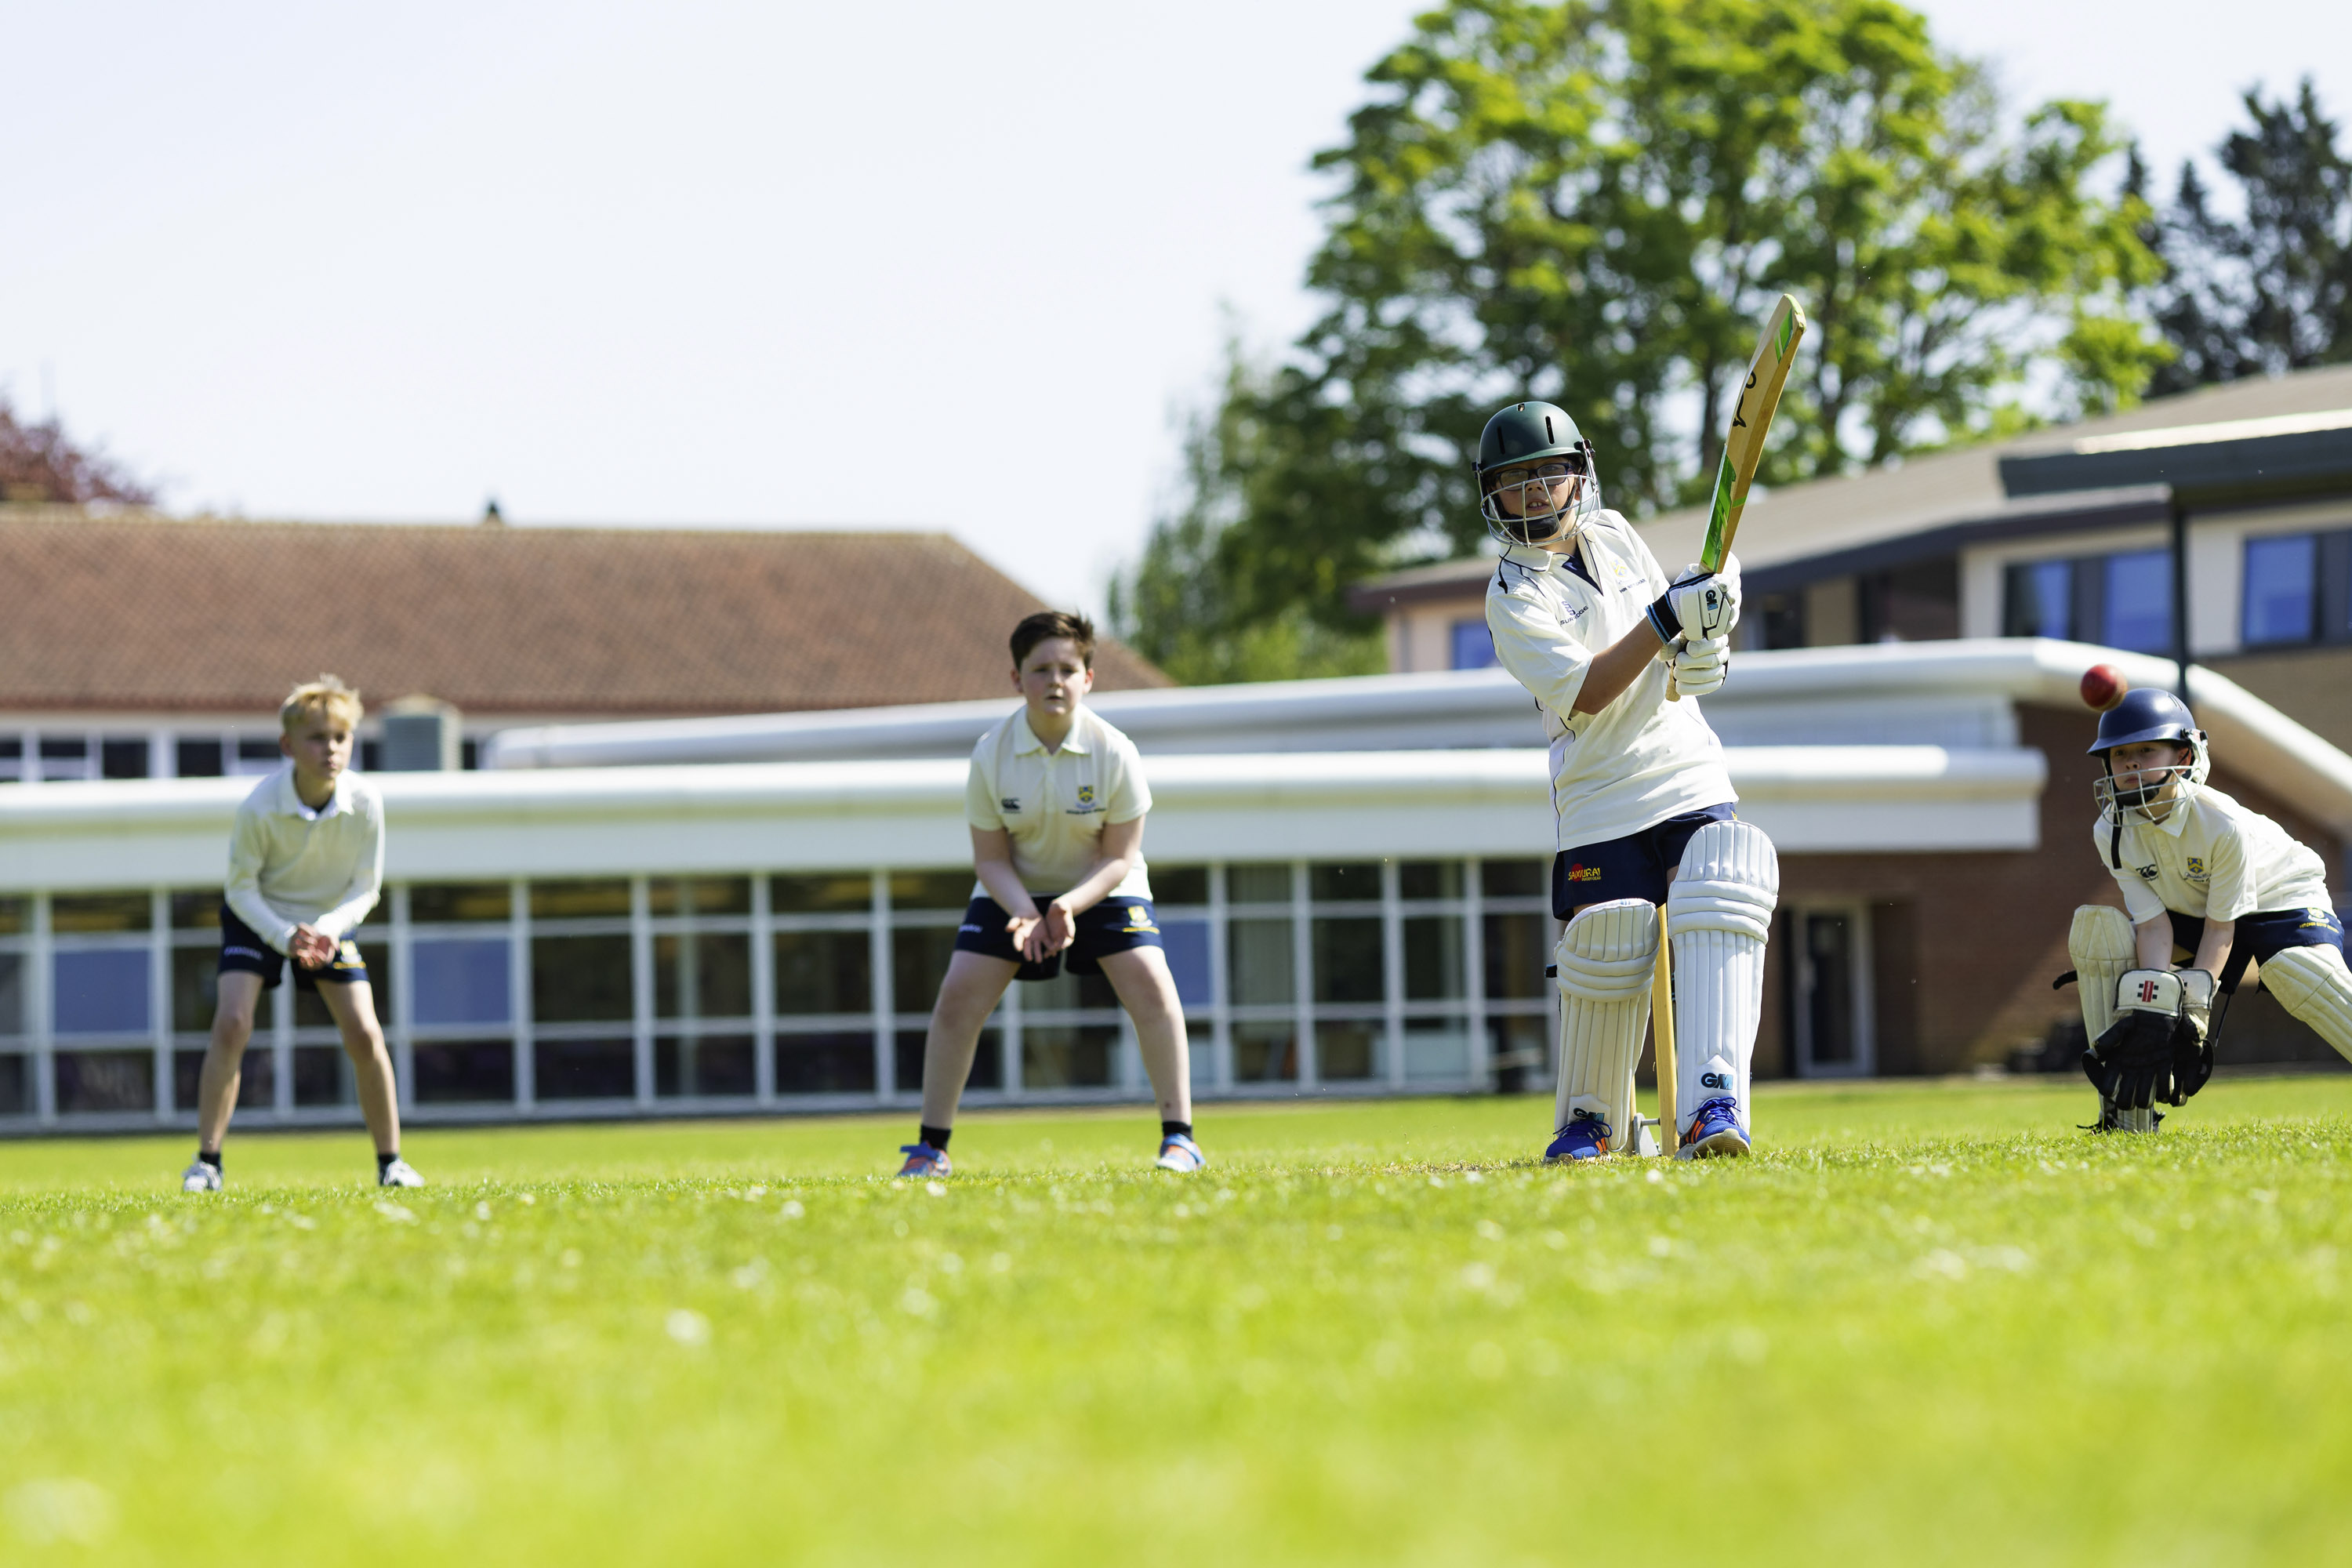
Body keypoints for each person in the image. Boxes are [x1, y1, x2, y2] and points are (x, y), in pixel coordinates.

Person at [1477, 401, 1779, 1161]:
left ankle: (1715, 1104)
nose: (1539, 491)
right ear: (1493, 496)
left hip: (1685, 769)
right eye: (1518, 480)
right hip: (1598, 798)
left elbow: (1666, 653)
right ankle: (1594, 1119)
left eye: (1551, 472)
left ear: (1580, 470)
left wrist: (1703, 640)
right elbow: (1588, 689)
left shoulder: (1614, 534)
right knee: (1607, 936)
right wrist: (1668, 619)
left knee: (1721, 886)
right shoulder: (1512, 596)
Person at [895, 612, 1203, 1177]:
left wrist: (1067, 906)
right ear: (1016, 679)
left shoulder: (1117, 752)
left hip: (1104, 886)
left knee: (1153, 986)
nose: (1055, 681)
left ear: (1089, 678)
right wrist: (1024, 912)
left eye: (1068, 668)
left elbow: (1120, 856)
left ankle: (1180, 1140)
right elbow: (989, 858)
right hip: (1013, 889)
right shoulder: (990, 754)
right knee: (958, 997)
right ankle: (930, 1150)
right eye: (1040, 669)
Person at [2067, 688, 2350, 1131]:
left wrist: (2193, 1006)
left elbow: (2223, 929)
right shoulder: (2112, 831)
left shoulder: (2220, 823)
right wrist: (2155, 1003)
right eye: (2120, 754)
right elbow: (2154, 926)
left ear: (2183, 756)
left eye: (2146, 750)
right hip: (2192, 910)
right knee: (2099, 934)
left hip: (2282, 898)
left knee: (2298, 972)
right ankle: (2125, 1116)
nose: (2132, 763)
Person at [181, 677, 421, 1192]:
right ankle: (206, 1164)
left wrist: (327, 931)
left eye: (340, 737)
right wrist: (285, 936)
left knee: (364, 1032)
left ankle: (392, 1165)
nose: (330, 749)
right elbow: (240, 889)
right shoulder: (259, 808)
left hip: (327, 924)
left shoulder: (367, 802)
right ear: (289, 746)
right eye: (316, 738)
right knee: (232, 1023)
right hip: (258, 918)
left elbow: (367, 888)